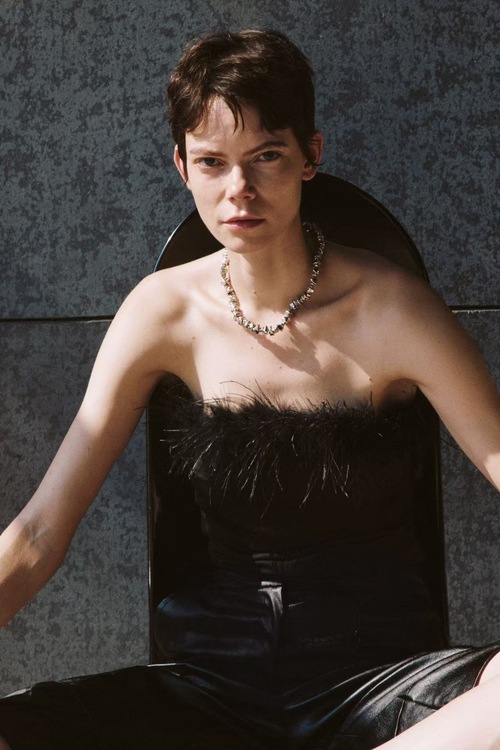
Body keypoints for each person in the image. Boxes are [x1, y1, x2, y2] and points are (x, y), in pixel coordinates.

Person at [0, 28, 499, 750]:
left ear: (309, 156)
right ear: (182, 166)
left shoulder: (394, 311)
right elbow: (40, 532)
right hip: (207, 697)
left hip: (382, 690)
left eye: (266, 156)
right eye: (213, 162)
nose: (240, 189)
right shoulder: (161, 312)